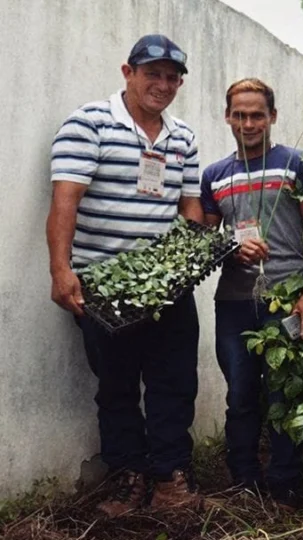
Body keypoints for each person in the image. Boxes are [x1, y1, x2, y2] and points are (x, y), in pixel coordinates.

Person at [46, 34, 204, 516]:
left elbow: (191, 207)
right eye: (152, 73)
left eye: (171, 77)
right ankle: (127, 479)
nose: (162, 84)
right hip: (103, 287)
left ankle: (169, 478)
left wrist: (193, 256)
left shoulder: (183, 137)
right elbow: (65, 201)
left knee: (174, 382)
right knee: (115, 385)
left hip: (168, 288)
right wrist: (61, 270)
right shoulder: (89, 122)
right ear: (127, 72)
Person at [199, 78, 303, 509]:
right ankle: (244, 482)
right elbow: (204, 242)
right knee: (240, 393)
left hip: (287, 297)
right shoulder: (215, 175)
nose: (248, 123)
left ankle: (286, 483)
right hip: (233, 303)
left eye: (257, 114)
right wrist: (231, 250)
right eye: (240, 114)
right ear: (228, 117)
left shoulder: (297, 164)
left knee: (284, 392)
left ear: (272, 116)